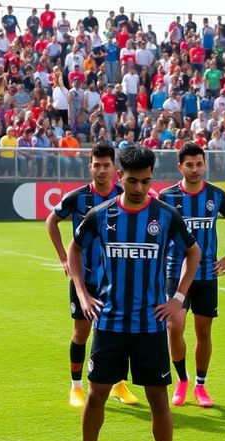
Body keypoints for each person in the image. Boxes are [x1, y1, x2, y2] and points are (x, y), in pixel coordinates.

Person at [66, 145, 199, 441]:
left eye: (145, 180)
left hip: (149, 325)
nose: (139, 187)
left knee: (158, 401)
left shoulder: (166, 215)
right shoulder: (101, 213)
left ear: (151, 177)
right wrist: (82, 291)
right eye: (132, 180)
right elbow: (74, 249)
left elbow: (193, 253)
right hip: (109, 322)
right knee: (96, 396)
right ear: (119, 177)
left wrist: (178, 298)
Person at [44, 142, 137, 407]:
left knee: (118, 332)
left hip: (116, 280)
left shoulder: (124, 195)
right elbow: (51, 220)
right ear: (90, 167)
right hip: (84, 278)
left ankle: (118, 385)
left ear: (115, 168)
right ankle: (76, 388)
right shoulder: (78, 198)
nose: (102, 170)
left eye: (106, 165)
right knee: (81, 332)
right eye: (97, 165)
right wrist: (64, 257)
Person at [157, 142, 225, 408]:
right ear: (180, 167)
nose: (195, 169)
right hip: (175, 273)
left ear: (205, 164)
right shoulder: (166, 197)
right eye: (189, 165)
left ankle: (201, 385)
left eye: (199, 164)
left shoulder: (216, 196)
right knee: (174, 325)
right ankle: (181, 379)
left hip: (206, 273)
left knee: (203, 331)